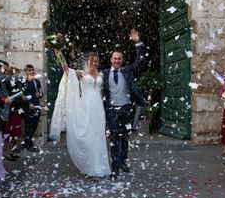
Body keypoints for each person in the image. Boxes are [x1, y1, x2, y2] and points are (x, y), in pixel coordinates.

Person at [50, 51, 111, 179]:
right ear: (87, 61)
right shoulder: (81, 73)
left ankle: (97, 167)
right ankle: (87, 165)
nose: (95, 63)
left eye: (97, 61)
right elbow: (67, 71)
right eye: (93, 61)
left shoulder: (101, 75)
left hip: (98, 108)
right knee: (87, 135)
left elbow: (101, 92)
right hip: (84, 107)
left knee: (97, 136)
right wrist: (61, 55)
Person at [103, 29, 146, 179]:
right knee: (114, 139)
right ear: (111, 60)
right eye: (114, 58)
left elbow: (140, 61)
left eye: (119, 59)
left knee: (125, 138)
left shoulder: (127, 71)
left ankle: (123, 161)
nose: (117, 61)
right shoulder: (105, 73)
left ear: (122, 60)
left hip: (126, 108)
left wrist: (138, 43)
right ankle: (115, 168)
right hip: (111, 110)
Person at [22, 64, 43, 152]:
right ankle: (28, 144)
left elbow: (41, 92)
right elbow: (22, 95)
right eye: (29, 70)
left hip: (36, 105)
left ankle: (29, 141)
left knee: (35, 124)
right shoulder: (24, 81)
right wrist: (28, 104)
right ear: (26, 72)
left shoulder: (37, 81)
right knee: (29, 125)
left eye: (32, 70)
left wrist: (40, 94)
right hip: (28, 106)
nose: (31, 71)